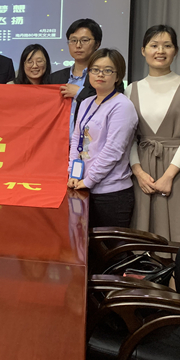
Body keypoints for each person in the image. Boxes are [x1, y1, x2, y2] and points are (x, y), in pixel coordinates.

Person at [126, 25, 180, 243]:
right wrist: (138, 173)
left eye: (167, 46)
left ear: (175, 51)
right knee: (144, 236)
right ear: (143, 50)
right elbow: (129, 138)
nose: (160, 51)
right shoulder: (131, 89)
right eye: (154, 45)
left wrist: (169, 176)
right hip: (144, 172)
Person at [67, 49, 138, 228]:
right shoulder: (86, 102)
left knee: (110, 245)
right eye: (95, 69)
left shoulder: (122, 105)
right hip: (82, 187)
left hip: (111, 193)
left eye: (107, 70)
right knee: (82, 243)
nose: (100, 74)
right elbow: (76, 140)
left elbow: (113, 150)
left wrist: (89, 180)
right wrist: (73, 174)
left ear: (117, 76)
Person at [52, 18, 123, 139]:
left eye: (84, 40)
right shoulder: (54, 78)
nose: (78, 45)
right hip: (58, 144)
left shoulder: (107, 77)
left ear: (97, 44)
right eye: (73, 40)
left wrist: (79, 93)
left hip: (92, 145)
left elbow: (112, 105)